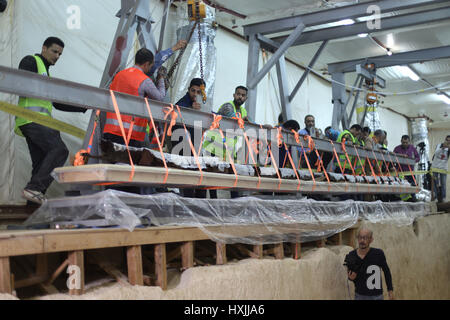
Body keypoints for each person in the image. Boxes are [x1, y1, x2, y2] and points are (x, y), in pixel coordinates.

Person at [17, 37, 87, 205]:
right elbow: (21, 83)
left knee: (41, 165)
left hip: (34, 122)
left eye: (60, 54)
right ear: (44, 48)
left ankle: (31, 209)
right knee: (59, 150)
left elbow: (55, 102)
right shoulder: (31, 61)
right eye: (54, 51)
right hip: (32, 120)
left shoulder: (46, 72)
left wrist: (83, 107)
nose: (57, 56)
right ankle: (34, 188)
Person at [103, 48, 166, 148]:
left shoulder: (119, 75)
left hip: (110, 129)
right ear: (146, 64)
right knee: (124, 163)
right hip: (129, 134)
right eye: (150, 66)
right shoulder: (145, 80)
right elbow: (160, 98)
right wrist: (161, 79)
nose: (150, 69)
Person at [345, 228, 394, 300]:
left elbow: (386, 272)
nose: (362, 240)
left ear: (371, 240)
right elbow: (351, 276)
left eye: (365, 238)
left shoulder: (378, 254)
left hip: (377, 296)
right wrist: (351, 278)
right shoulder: (352, 256)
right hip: (360, 296)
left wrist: (390, 290)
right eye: (360, 237)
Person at [393, 135, 420, 201]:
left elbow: (418, 158)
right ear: (401, 141)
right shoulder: (397, 149)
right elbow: (392, 158)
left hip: (410, 173)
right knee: (401, 190)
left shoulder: (413, 148)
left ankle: (413, 201)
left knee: (413, 189)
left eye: (406, 142)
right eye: (403, 142)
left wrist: (411, 161)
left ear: (409, 142)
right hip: (400, 173)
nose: (405, 144)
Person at [431, 135, 450, 203]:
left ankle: (443, 198)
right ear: (445, 140)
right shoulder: (439, 145)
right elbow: (436, 153)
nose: (448, 142)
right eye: (447, 140)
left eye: (449, 141)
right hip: (435, 167)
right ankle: (435, 197)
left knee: (443, 184)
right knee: (435, 183)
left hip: (443, 168)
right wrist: (443, 147)